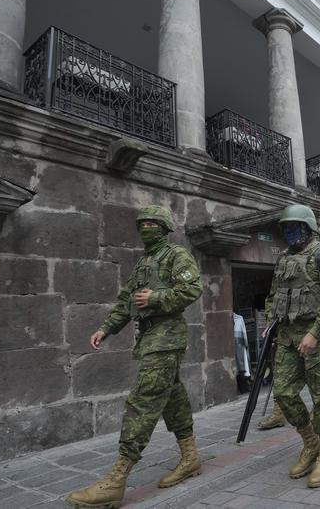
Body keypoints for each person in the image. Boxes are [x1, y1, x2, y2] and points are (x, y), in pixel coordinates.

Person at [67, 205, 203, 508]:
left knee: (143, 401)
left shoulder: (176, 255)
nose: (146, 227)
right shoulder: (144, 262)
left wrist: (157, 297)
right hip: (150, 338)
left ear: (165, 227)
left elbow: (193, 288)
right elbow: (127, 301)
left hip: (167, 339)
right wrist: (106, 329)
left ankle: (116, 480)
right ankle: (190, 457)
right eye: (142, 223)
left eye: (153, 223)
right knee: (172, 397)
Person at [265, 204, 320, 488]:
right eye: (285, 228)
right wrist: (272, 323)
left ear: (308, 228)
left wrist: (314, 333)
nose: (289, 233)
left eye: (294, 227)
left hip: (317, 337)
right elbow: (274, 294)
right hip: (287, 336)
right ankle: (309, 441)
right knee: (284, 392)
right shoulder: (284, 259)